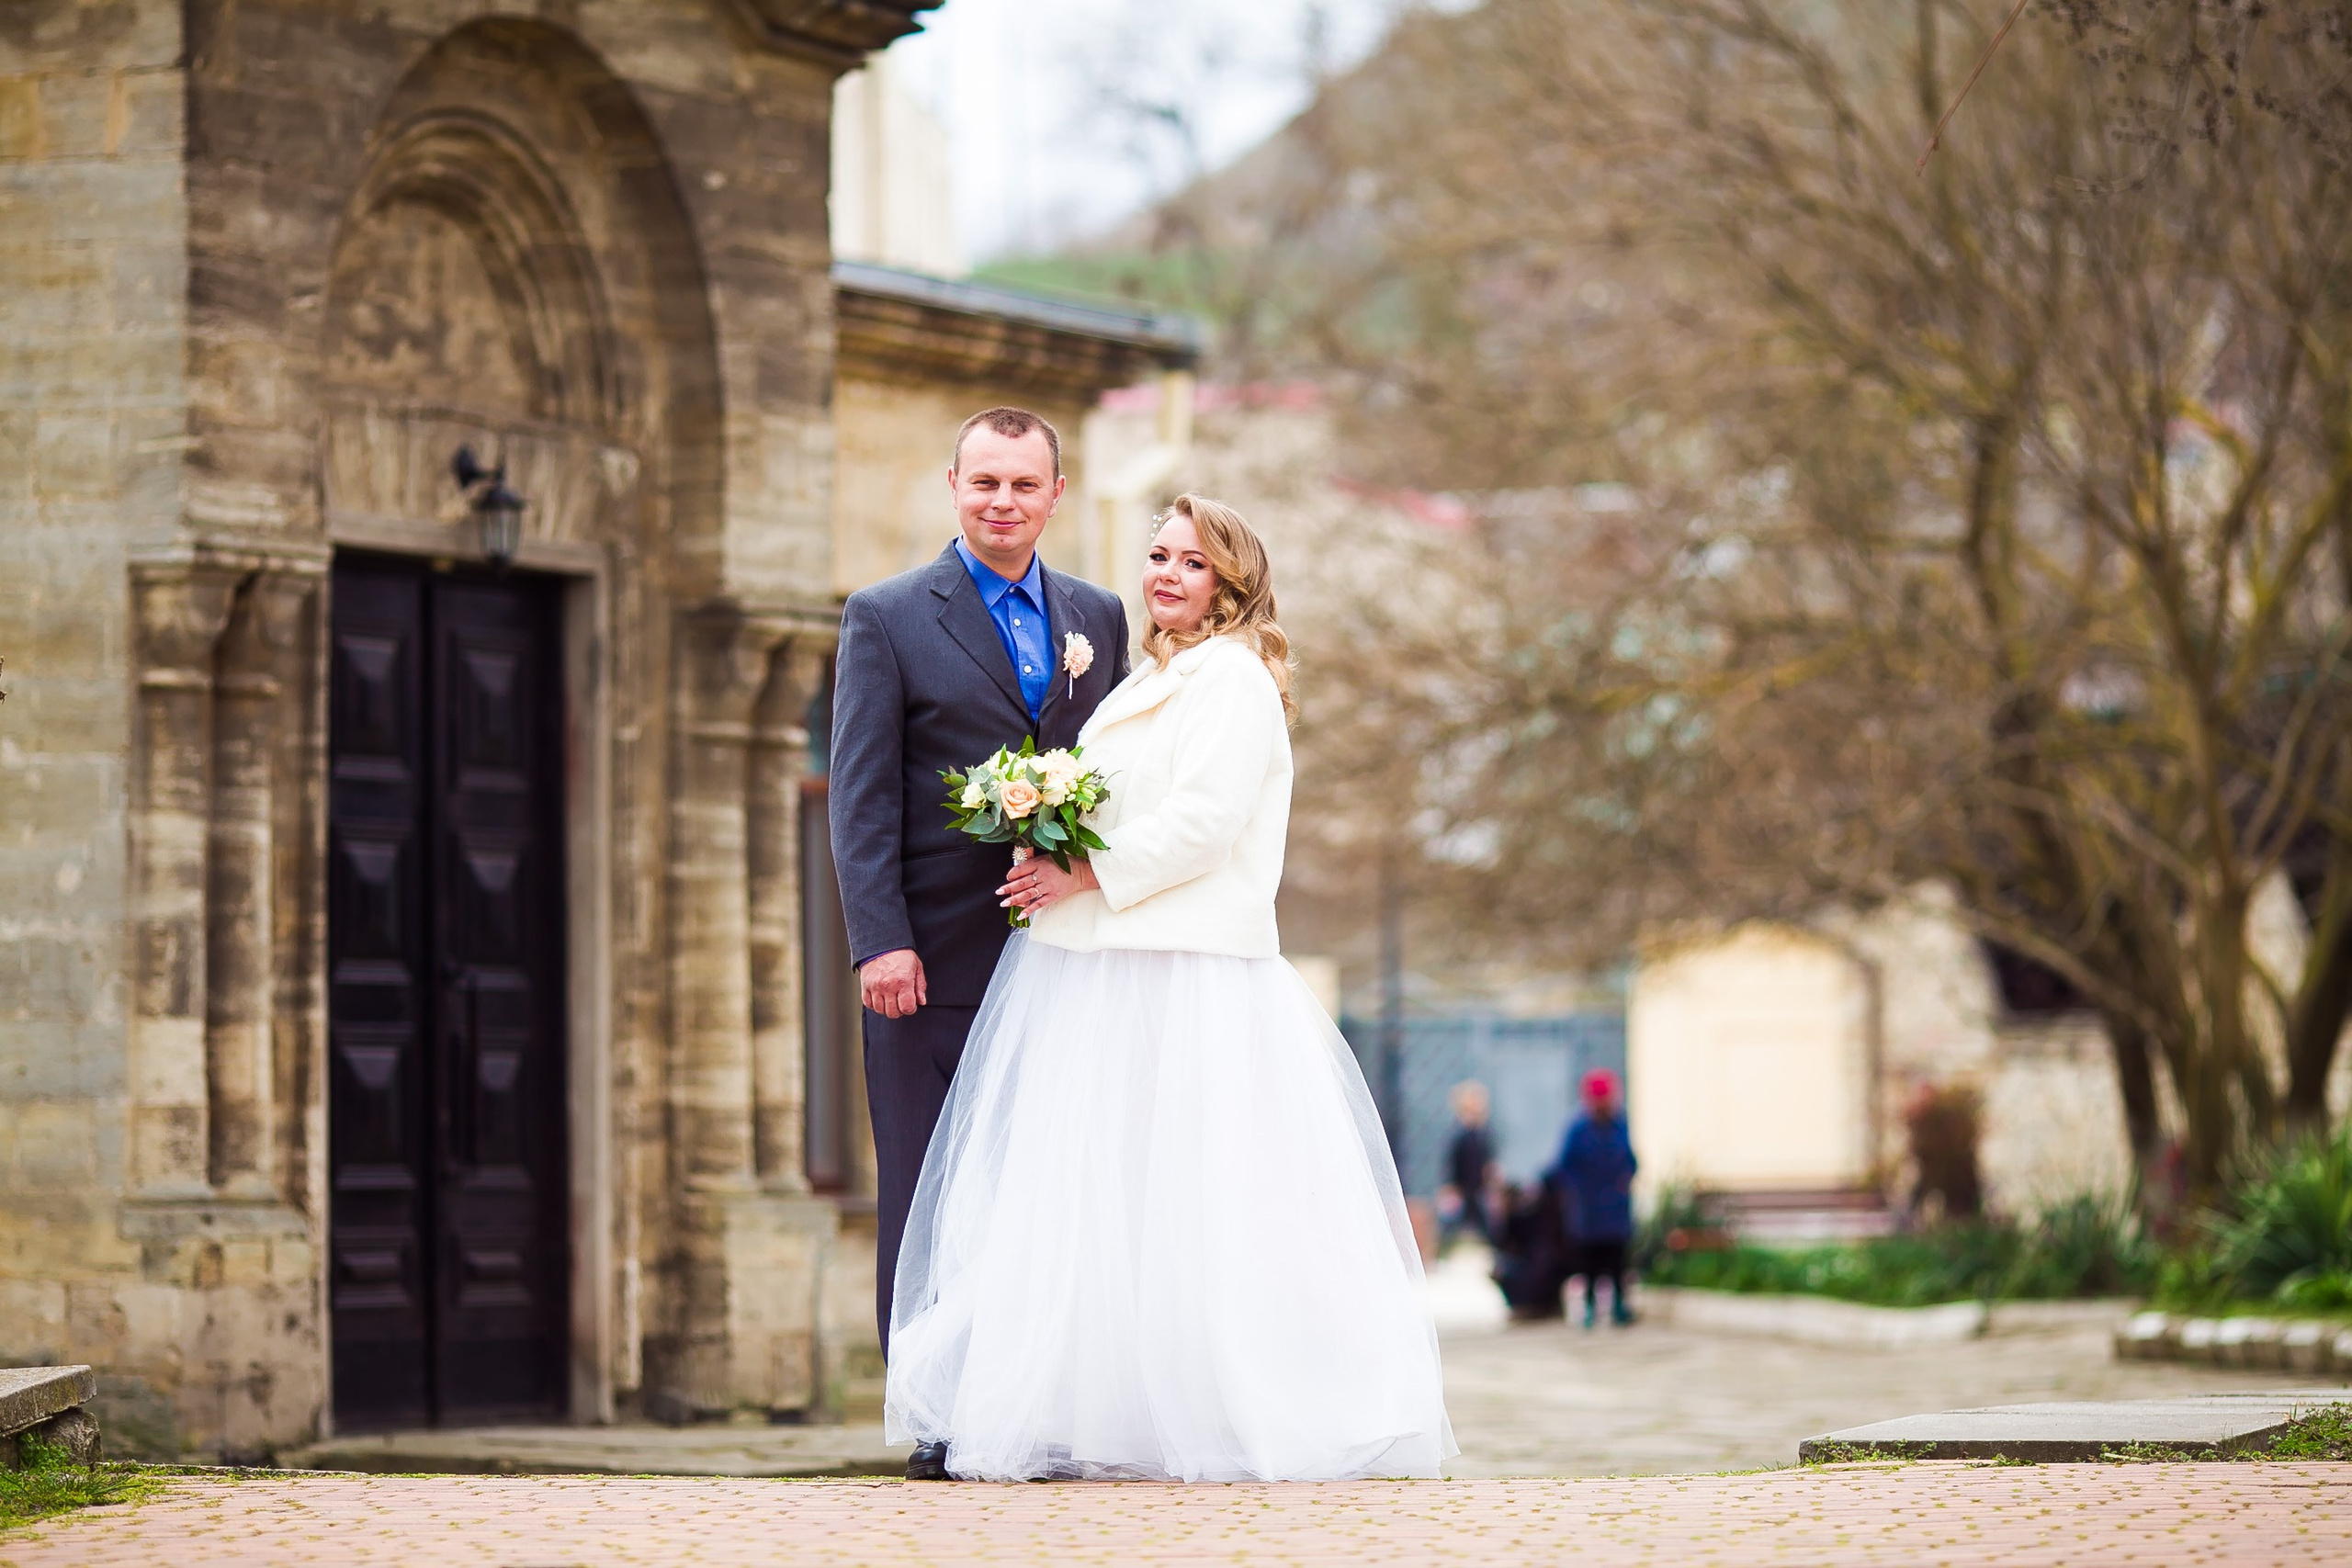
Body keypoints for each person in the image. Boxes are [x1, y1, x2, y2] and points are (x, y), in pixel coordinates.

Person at [882, 495, 1456, 1482]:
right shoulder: (1157, 675)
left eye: (1191, 563)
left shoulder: (1230, 682)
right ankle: (1074, 1408)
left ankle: (1223, 1409)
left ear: (1229, 584)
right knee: (1095, 1195)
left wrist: (1086, 871)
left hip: (1181, 972)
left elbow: (1204, 824)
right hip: (1105, 967)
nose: (1165, 575)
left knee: (1188, 1198)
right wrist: (1044, 830)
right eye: (1157, 555)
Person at [830, 407, 1131, 1481]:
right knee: (922, 1192)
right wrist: (881, 942)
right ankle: (935, 1417)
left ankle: (1029, 1408)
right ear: (950, 486)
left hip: (1057, 959)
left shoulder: (1098, 616)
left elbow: (1113, 780)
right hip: (931, 965)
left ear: (1056, 495)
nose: (1002, 501)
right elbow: (859, 799)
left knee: (1039, 1188)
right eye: (983, 482)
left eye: (1023, 485)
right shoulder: (888, 617)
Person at [1551, 1068, 1638, 1328]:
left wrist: (1624, 1181)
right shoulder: (1578, 1130)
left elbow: (1631, 1161)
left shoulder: (1619, 1125)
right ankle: (1589, 1308)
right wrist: (1577, 1190)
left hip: (1615, 1207)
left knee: (1617, 1260)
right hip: (1588, 1208)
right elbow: (1564, 1167)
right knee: (1589, 1262)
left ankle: (1619, 1306)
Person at [1438, 1080, 1499, 1247]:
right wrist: (1450, 1186)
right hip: (1461, 1188)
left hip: (1479, 1188)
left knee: (1488, 1226)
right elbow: (1450, 1161)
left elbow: (1489, 1160)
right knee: (1451, 1226)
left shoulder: (1484, 1133)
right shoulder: (1458, 1133)